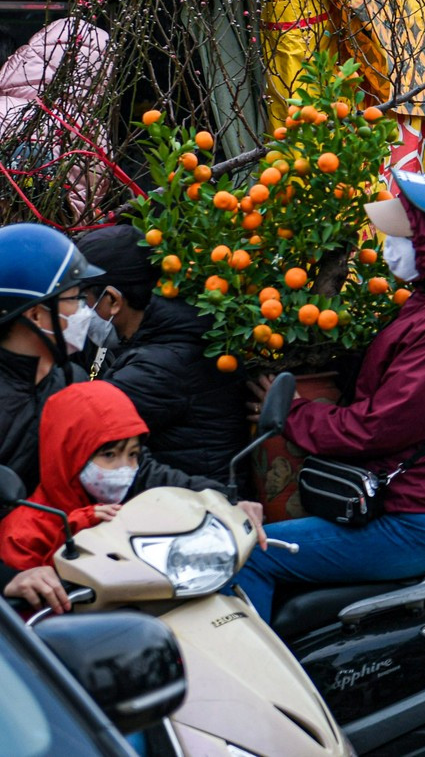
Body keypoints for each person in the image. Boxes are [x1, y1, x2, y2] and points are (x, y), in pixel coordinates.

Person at [237, 165, 425, 621]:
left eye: (411, 228)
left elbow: (378, 428)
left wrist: (294, 413)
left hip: (416, 518)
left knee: (250, 555)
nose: (393, 238)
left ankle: (259, 687)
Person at [0, 382, 263, 607]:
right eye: (109, 455)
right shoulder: (24, 528)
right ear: (68, 454)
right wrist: (75, 527)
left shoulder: (132, 510)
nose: (125, 469)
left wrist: (226, 504)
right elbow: (31, 603)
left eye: (133, 455)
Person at [76, 226, 245, 483]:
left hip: (191, 509)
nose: (77, 310)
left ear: (112, 300)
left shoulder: (161, 367)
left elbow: (78, 431)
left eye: (82, 298)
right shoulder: (175, 332)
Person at [0, 224, 99, 489]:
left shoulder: (71, 380)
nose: (85, 309)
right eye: (74, 298)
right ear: (35, 314)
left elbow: (121, 458)